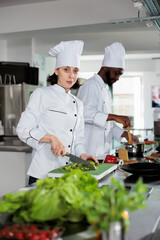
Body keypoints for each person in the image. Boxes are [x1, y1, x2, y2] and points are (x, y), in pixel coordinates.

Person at [16, 40, 98, 185]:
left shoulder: (78, 103)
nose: (71, 75)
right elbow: (23, 129)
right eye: (66, 70)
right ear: (56, 70)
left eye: (75, 70)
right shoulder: (41, 94)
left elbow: (77, 138)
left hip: (67, 173)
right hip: (42, 174)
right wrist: (50, 138)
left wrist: (83, 155)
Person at [77, 42, 139, 159]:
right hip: (88, 152)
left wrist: (124, 134)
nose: (117, 78)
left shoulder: (105, 90)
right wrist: (114, 116)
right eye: (116, 73)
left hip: (102, 154)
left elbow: (107, 123)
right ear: (105, 68)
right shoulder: (91, 85)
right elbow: (83, 113)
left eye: (120, 74)